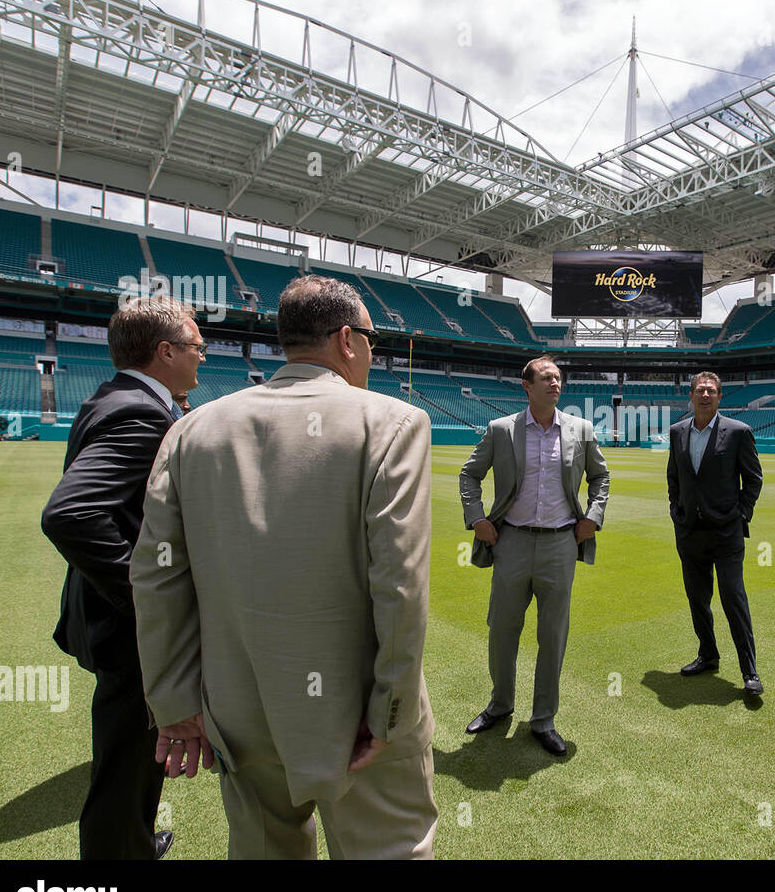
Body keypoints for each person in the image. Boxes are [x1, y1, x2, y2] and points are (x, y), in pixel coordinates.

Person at [130, 274, 437, 859]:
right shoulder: (393, 423)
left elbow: (156, 574)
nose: (373, 353)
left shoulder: (190, 430)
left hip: (240, 711)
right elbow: (399, 584)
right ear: (347, 340)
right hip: (358, 716)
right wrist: (389, 709)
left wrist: (173, 705)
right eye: (372, 340)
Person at [40, 295, 205, 860]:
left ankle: (132, 840)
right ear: (165, 351)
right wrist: (146, 599)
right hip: (131, 629)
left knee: (135, 753)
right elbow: (70, 514)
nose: (202, 358)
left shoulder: (116, 397)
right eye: (196, 347)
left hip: (113, 622)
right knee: (124, 759)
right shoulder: (140, 412)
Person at [458, 355, 609, 756]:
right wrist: (477, 520)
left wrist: (592, 517)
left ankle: (543, 719)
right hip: (511, 543)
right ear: (527, 386)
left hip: (561, 544)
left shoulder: (581, 429)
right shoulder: (501, 430)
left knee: (552, 635)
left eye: (558, 378)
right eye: (546, 378)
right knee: (502, 630)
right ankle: (500, 705)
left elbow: (601, 477)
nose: (555, 383)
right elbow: (469, 475)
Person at [667, 371, 765, 695]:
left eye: (711, 391)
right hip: (690, 533)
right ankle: (707, 654)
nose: (705, 395)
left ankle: (750, 672)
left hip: (726, 534)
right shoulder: (677, 432)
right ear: (691, 396)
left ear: (719, 397)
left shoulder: (739, 432)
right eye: (700, 390)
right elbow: (674, 479)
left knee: (733, 599)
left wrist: (741, 514)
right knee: (697, 600)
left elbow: (753, 480)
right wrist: (676, 512)